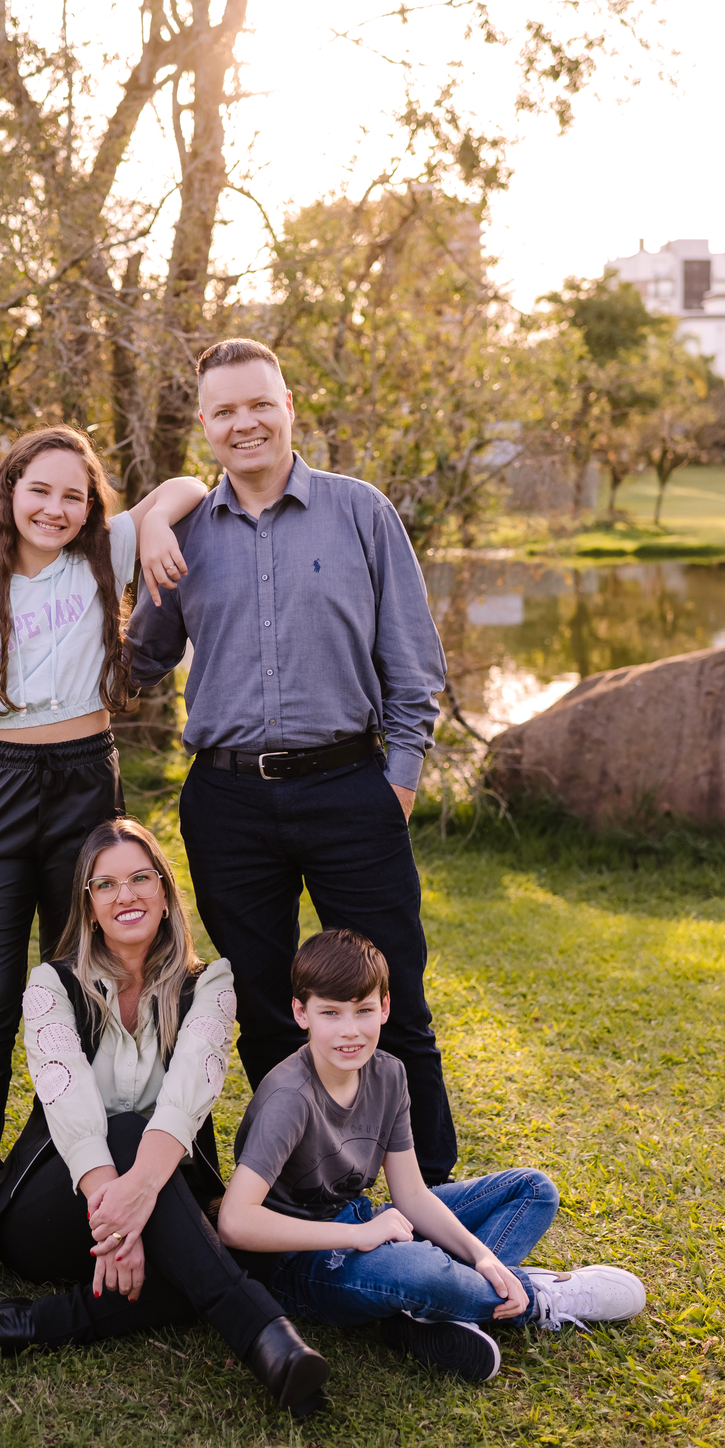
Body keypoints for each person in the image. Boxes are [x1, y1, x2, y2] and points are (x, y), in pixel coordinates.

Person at [0, 425, 208, 1316]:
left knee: (91, 986)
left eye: (74, 496)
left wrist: (149, 524)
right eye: (41, 491)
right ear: (10, 490)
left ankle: (86, 1172)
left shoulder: (101, 555)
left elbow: (186, 482)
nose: (55, 509)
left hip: (83, 790)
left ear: (90, 506)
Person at [126, 337, 457, 1182]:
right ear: (205, 425)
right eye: (226, 411)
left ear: (288, 408)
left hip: (353, 791)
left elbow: (413, 664)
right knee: (271, 1013)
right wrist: (129, 541)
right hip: (228, 805)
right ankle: (306, 1192)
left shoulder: (360, 513)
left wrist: (402, 781)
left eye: (259, 404)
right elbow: (138, 661)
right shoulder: (185, 533)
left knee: (394, 1005)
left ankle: (436, 1195)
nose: (245, 424)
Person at [0, 819, 330, 1418]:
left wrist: (136, 1202)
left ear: (165, 890)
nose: (125, 896)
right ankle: (263, 1337)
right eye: (106, 885)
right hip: (51, 1209)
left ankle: (20, 1324)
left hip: (162, 1198)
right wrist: (119, 1218)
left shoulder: (211, 984)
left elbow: (185, 1099)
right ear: (90, 904)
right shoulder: (52, 985)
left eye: (139, 878)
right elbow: (71, 1110)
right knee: (123, 1127)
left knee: (252, 1238)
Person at [218, 928, 646, 1384]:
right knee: (422, 1270)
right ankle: (539, 1297)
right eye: (331, 1013)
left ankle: (431, 1317)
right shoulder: (289, 1097)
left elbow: (413, 1196)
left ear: (384, 1006)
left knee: (531, 1190)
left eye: (364, 1010)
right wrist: (363, 1235)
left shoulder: (388, 1074)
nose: (350, 1030)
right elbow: (235, 1222)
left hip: (364, 1223)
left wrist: (482, 1256)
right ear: (301, 1013)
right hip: (302, 1265)